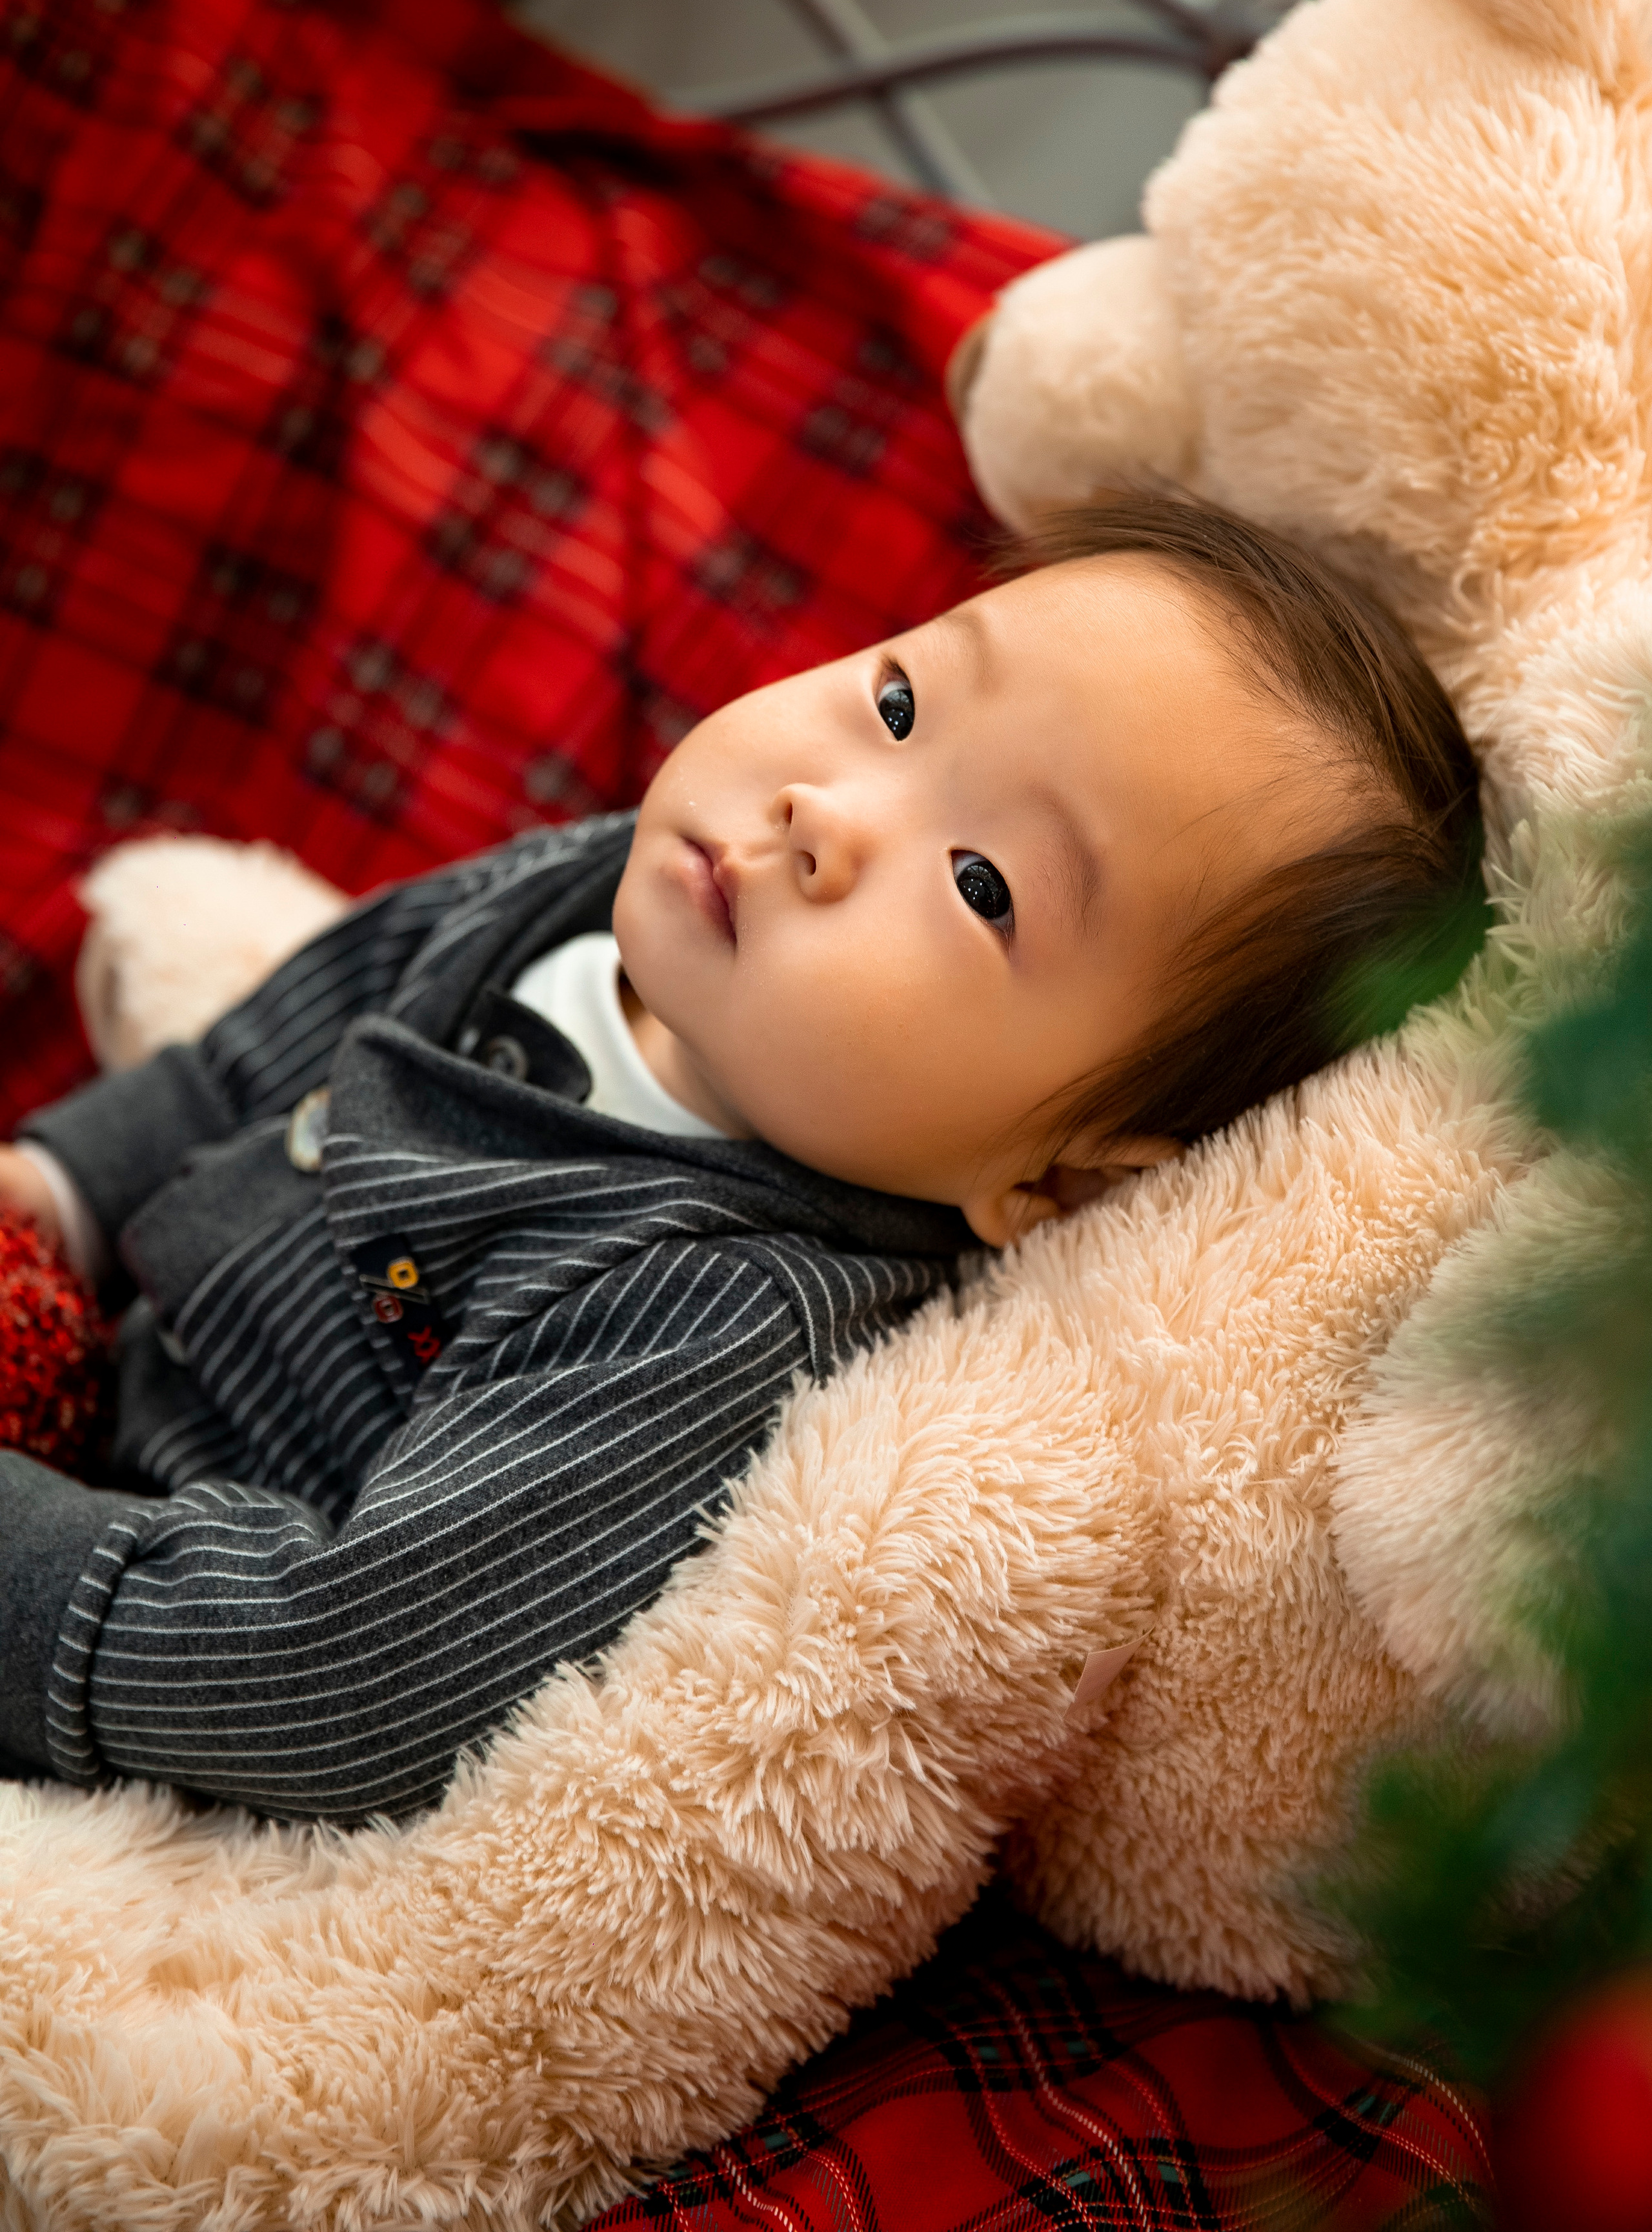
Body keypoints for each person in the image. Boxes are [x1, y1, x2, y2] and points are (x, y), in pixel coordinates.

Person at [0, 495, 1485, 1824]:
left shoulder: (708, 1308)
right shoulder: (593, 883)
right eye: (898, 702)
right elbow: (291, 1036)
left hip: (140, 1667)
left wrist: (33, 1565)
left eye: (980, 886)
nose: (821, 813)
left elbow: (343, 1675)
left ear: (1061, 1180)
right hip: (81, 1346)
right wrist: (61, 1190)